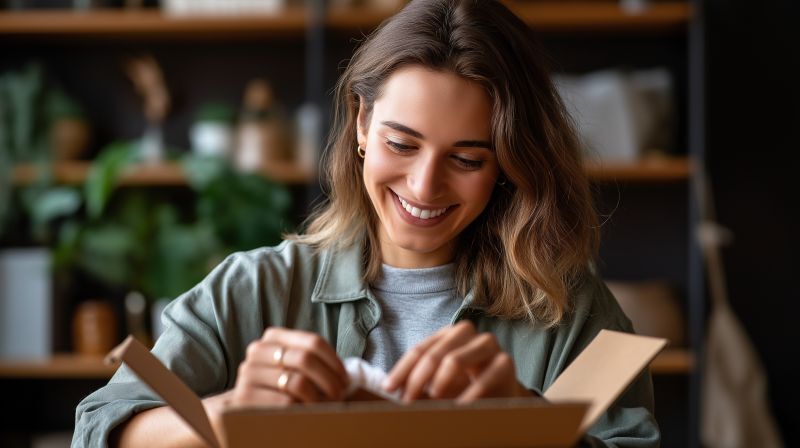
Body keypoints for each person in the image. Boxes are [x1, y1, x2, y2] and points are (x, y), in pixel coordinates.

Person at [72, 0, 659, 446]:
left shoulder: (570, 314)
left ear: (507, 163)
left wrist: (525, 422)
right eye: (401, 144)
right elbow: (99, 427)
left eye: (466, 159)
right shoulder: (253, 290)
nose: (424, 187)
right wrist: (225, 417)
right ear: (360, 123)